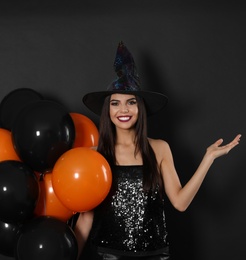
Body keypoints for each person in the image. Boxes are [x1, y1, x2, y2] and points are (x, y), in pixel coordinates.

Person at [74, 41, 241, 260]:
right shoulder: (95, 154)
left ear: (140, 108)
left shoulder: (159, 148)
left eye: (131, 102)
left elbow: (180, 203)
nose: (123, 109)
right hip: (109, 256)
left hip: (155, 255)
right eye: (115, 103)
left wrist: (208, 158)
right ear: (107, 111)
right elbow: (85, 220)